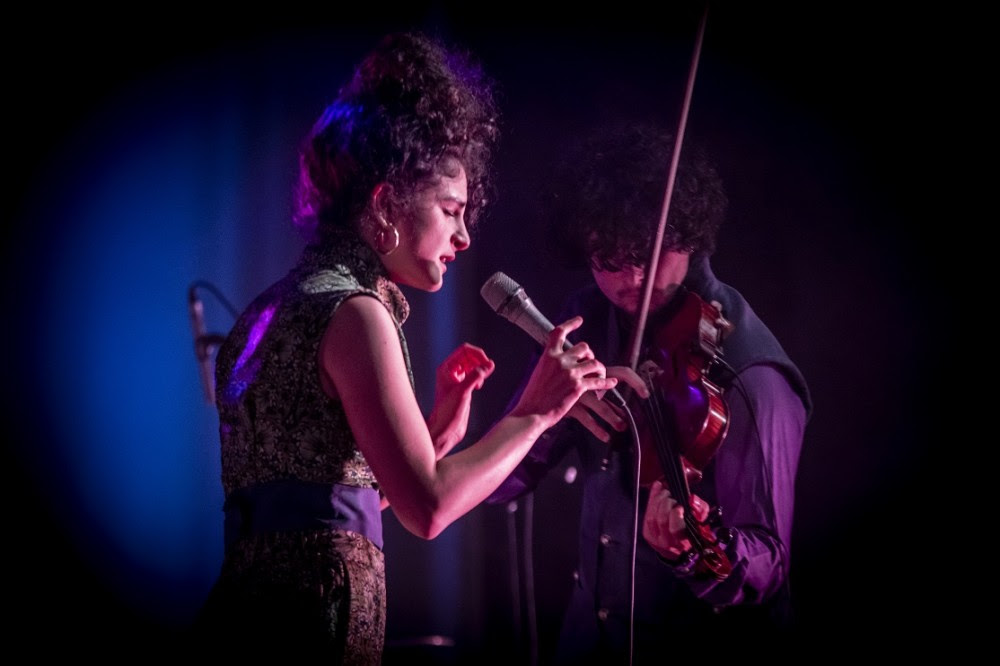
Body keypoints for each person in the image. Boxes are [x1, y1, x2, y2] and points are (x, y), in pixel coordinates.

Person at [193, 32, 618, 663]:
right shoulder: (355, 313)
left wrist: (438, 435)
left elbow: (320, 505)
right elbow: (430, 509)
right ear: (387, 203)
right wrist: (538, 411)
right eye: (451, 210)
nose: (465, 236)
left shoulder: (275, 306)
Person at [488, 122, 812, 663]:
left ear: (687, 234)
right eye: (608, 261)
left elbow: (766, 567)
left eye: (647, 255)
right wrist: (533, 415)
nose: (628, 280)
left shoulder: (749, 374)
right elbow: (503, 482)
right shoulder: (587, 321)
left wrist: (694, 553)